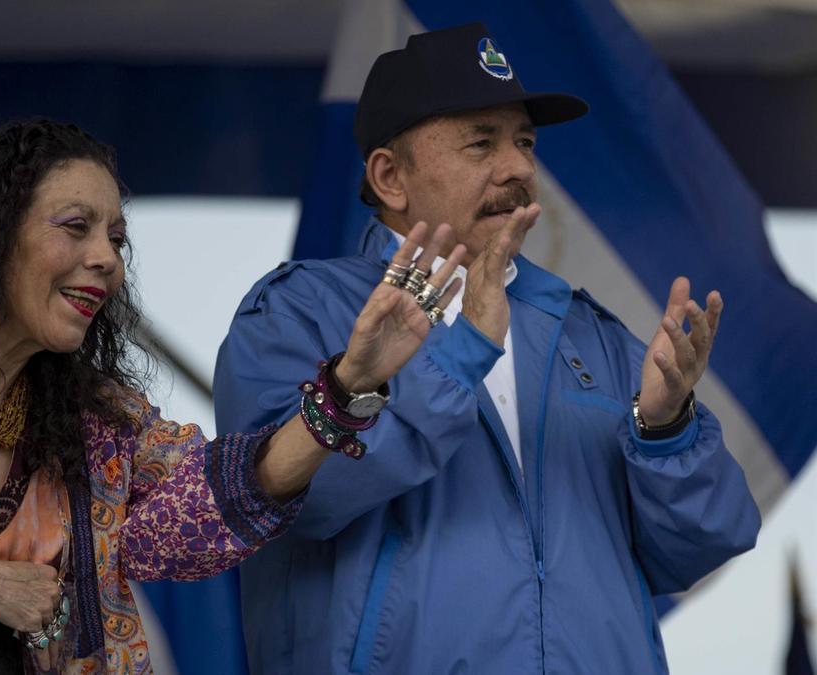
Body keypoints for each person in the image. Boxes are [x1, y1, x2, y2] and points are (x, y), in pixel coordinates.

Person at [0, 119, 465, 674]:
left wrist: (348, 386)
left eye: (116, 237)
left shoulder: (97, 419)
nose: (106, 258)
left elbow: (216, 502)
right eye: (75, 227)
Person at [215, 23, 761, 674]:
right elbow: (294, 501)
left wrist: (666, 428)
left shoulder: (589, 331)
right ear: (390, 177)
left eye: (525, 142)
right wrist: (463, 348)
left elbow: (705, 542)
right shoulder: (296, 313)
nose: (520, 168)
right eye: (482, 142)